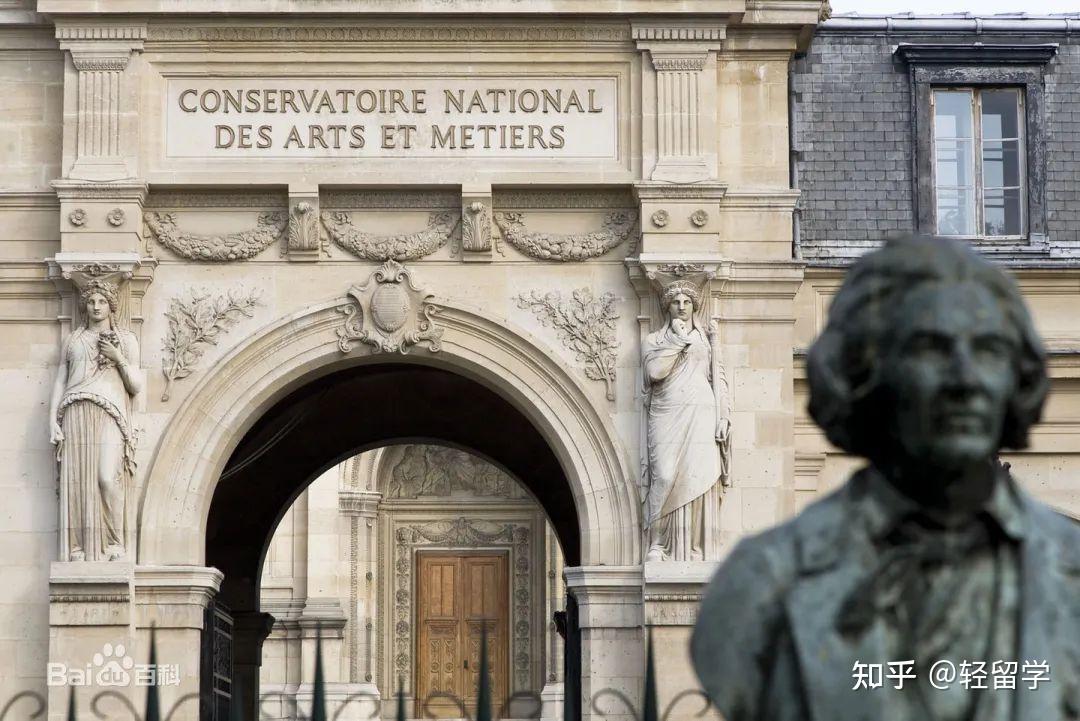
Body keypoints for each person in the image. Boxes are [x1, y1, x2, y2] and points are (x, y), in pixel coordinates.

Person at [691, 236, 1079, 721]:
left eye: (989, 350)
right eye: (931, 349)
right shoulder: (764, 582)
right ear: (864, 372)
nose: (966, 381)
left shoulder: (1071, 571)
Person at [49, 279, 141, 561]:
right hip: (75, 410)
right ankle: (78, 549)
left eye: (102, 301)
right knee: (76, 483)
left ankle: (114, 544)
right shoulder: (73, 340)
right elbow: (61, 379)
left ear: (111, 307)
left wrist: (118, 358)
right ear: (84, 306)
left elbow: (135, 385)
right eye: (91, 302)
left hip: (110, 411)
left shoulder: (125, 340)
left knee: (106, 478)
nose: (96, 307)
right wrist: (52, 418)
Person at [642, 280, 731, 562]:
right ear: (667, 307)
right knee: (664, 475)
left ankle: (693, 548)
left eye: (687, 302)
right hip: (667, 409)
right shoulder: (654, 340)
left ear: (694, 306)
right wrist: (679, 341)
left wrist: (724, 415)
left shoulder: (707, 339)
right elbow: (655, 372)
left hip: (702, 410)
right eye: (675, 302)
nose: (681, 307)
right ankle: (658, 544)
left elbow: (719, 379)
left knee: (697, 476)